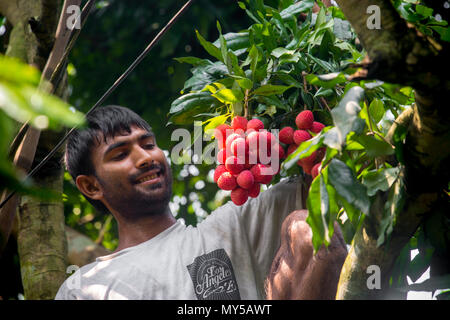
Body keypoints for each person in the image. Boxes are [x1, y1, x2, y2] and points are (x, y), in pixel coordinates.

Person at [55, 105, 346, 300]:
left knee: (308, 225)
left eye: (148, 144)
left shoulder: (228, 229)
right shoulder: (83, 288)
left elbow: (322, 172)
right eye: (120, 155)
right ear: (91, 186)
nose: (146, 158)